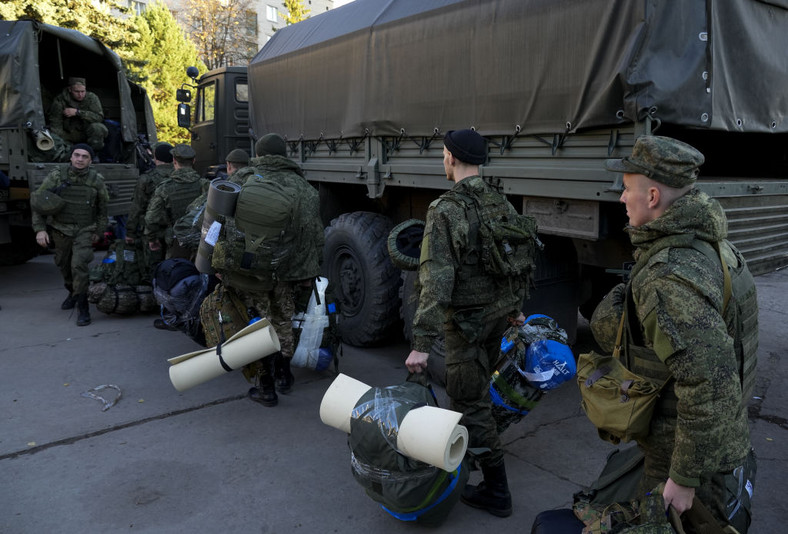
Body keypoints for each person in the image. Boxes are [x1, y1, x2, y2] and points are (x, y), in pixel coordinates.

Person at [591, 135, 758, 532]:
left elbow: (708, 382)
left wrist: (683, 479)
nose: (620, 198)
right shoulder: (710, 245)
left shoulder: (670, 273)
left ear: (651, 196)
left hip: (685, 454)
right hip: (708, 443)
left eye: (626, 188)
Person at [404, 129, 536, 518]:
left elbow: (437, 281)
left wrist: (421, 343)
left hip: (466, 325)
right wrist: (514, 308)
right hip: (497, 319)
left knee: (468, 400)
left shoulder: (445, 210)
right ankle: (468, 455)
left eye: (443, 155)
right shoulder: (500, 201)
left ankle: (497, 491)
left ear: (450, 157)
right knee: (477, 389)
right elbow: (513, 261)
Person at [215, 133, 324, 407]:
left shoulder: (242, 179)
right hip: (286, 273)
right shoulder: (304, 188)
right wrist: (305, 273)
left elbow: (218, 221)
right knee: (283, 321)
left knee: (254, 324)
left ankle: (265, 387)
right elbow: (312, 236)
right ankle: (284, 376)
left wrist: (216, 262)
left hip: (248, 270)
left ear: (259, 154)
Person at [31, 144, 109, 326]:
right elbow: (39, 202)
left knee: (79, 266)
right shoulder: (57, 176)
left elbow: (103, 210)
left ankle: (83, 308)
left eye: (85, 156)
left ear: (90, 160)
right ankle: (72, 291)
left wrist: (99, 231)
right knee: (64, 265)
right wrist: (40, 229)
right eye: (77, 155)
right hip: (60, 230)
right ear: (71, 157)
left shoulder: (96, 180)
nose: (80, 159)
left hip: (84, 230)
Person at [144, 144, 204, 261]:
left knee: (176, 273)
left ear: (174, 161)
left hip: (176, 241)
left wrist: (152, 238)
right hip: (200, 241)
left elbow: (151, 218)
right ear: (194, 161)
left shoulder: (164, 188)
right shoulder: (204, 185)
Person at [126, 142, 175, 249]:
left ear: (156, 158)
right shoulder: (179, 177)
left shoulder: (146, 179)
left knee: (153, 263)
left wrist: (130, 232)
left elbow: (137, 207)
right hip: (176, 230)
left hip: (152, 232)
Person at [47, 77, 108, 154]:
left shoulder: (92, 98)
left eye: (83, 91)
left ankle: (94, 153)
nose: (80, 95)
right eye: (77, 91)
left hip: (86, 133)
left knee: (98, 128)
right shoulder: (60, 101)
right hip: (67, 134)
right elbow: (55, 125)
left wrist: (78, 112)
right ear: (70, 90)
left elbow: (99, 117)